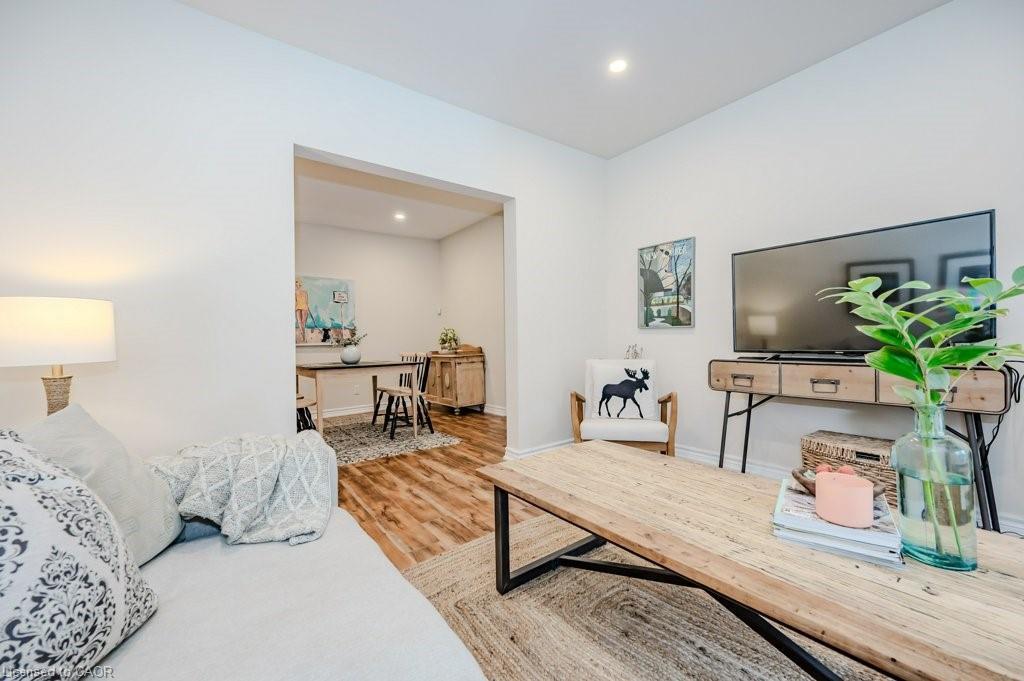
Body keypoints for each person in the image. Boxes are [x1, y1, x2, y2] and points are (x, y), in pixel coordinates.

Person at [295, 278, 309, 343]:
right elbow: (295, 301)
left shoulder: (305, 292)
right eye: (296, 283)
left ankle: (304, 337)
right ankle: (303, 337)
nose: (297, 284)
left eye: (298, 283)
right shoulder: (294, 292)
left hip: (304, 307)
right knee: (300, 323)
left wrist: (307, 309)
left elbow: (307, 301)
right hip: (298, 308)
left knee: (303, 323)